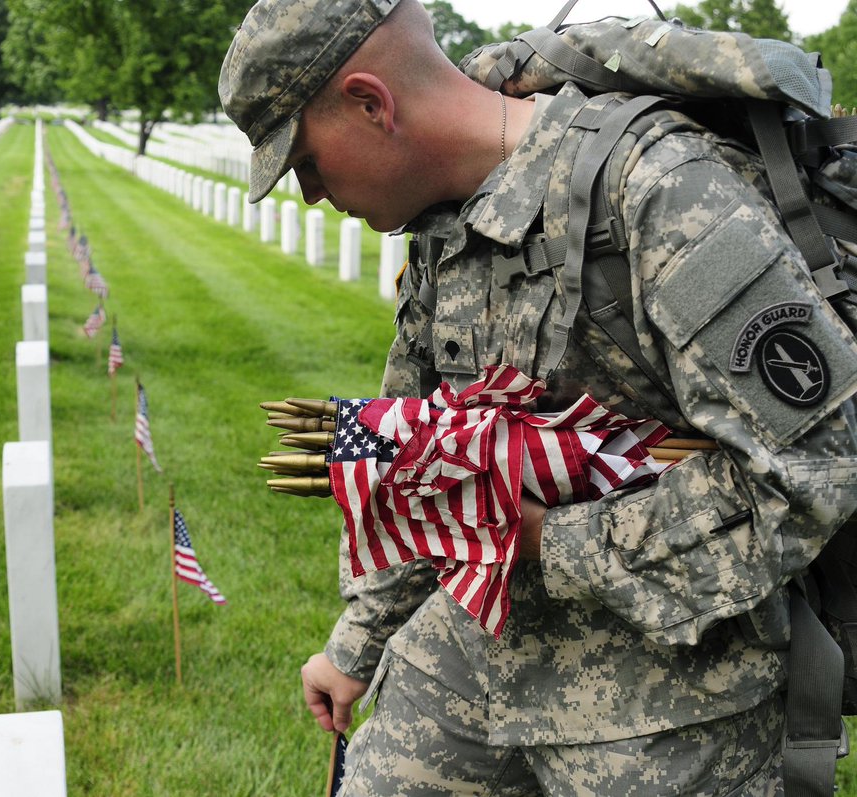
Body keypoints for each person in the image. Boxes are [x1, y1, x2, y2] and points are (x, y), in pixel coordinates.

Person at [220, 0, 857, 794]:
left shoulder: (662, 192)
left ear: (370, 103)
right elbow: (421, 450)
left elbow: (814, 471)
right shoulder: (439, 225)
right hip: (477, 649)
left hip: (670, 695)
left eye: (306, 161)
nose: (311, 194)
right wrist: (357, 641)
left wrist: (546, 541)